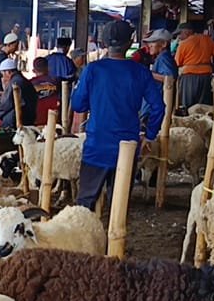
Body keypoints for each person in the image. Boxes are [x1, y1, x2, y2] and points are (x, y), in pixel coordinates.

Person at [70, 20, 165, 211]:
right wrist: (150, 135)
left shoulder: (92, 70)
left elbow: (78, 105)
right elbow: (158, 107)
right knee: (119, 206)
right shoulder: (141, 72)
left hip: (96, 147)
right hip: (127, 147)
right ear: (130, 43)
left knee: (84, 206)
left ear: (104, 43)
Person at [174, 22, 214, 111]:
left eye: (180, 34)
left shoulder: (183, 44)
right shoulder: (208, 40)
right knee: (204, 107)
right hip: (206, 77)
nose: (179, 37)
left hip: (189, 77)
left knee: (187, 107)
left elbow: (177, 63)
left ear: (186, 32)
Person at [0, 56, 34, 130]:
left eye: (3, 74)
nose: (3, 77)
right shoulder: (21, 80)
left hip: (17, 120)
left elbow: (6, 104)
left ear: (8, 72)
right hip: (28, 117)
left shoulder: (15, 82)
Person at [29, 56, 60, 126]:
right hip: (54, 120)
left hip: (36, 120)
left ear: (34, 70)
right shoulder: (57, 82)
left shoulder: (29, 84)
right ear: (48, 68)